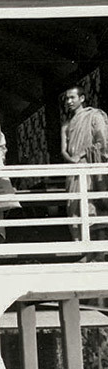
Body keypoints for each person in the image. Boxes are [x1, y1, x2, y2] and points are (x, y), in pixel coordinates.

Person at [61, 86, 108, 260]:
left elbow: (102, 141)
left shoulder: (94, 115)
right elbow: (64, 150)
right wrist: (71, 158)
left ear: (82, 98)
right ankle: (86, 251)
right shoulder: (66, 124)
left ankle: (101, 251)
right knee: (74, 206)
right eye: (67, 99)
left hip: (91, 166)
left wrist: (81, 154)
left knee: (94, 205)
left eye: (72, 98)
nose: (69, 102)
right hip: (74, 170)